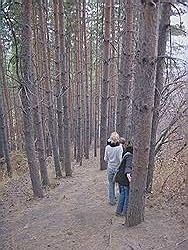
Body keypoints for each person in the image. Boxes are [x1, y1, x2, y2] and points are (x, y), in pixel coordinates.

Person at [104, 132, 123, 205]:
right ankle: (121, 200)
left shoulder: (107, 147)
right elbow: (120, 159)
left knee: (111, 184)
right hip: (117, 168)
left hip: (110, 168)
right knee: (120, 184)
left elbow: (105, 159)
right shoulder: (120, 147)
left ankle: (111, 200)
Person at [114, 145, 133, 216]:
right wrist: (129, 175)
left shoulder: (125, 155)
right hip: (124, 179)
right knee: (126, 195)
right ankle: (124, 212)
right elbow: (128, 167)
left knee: (122, 194)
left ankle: (118, 211)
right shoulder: (130, 157)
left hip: (120, 178)